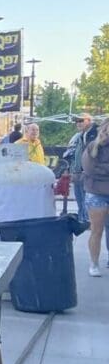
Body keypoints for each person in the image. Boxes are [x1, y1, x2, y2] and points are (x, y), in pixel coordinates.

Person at [80, 120, 109, 278]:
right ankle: (94, 263)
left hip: (99, 186)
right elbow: (90, 169)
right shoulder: (94, 146)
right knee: (97, 230)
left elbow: (98, 169)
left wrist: (103, 169)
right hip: (96, 192)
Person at [66, 115, 97, 224]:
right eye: (76, 121)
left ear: (89, 121)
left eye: (81, 120)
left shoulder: (95, 133)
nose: (78, 123)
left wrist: (87, 170)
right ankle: (82, 219)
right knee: (80, 198)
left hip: (88, 173)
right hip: (77, 172)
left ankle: (87, 221)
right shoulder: (80, 135)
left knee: (87, 199)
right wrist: (72, 170)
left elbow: (94, 155)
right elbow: (74, 153)